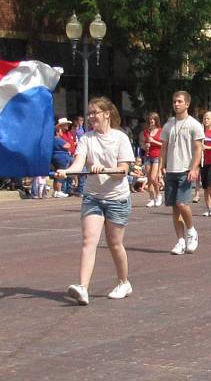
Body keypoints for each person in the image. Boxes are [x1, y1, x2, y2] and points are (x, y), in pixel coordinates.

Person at [57, 97, 135, 305]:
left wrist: (106, 170)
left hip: (117, 198)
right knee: (88, 240)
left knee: (115, 244)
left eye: (95, 113)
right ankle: (83, 287)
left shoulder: (120, 138)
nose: (91, 117)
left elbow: (124, 171)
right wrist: (66, 171)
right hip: (93, 197)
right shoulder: (86, 139)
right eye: (89, 113)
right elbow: (78, 163)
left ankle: (124, 282)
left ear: (107, 114)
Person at [160, 91, 204, 255]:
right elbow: (163, 148)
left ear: (187, 104)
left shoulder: (194, 124)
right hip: (171, 169)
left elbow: (199, 148)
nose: (176, 104)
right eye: (174, 102)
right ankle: (180, 240)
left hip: (185, 169)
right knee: (174, 207)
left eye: (179, 101)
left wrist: (194, 167)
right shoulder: (168, 125)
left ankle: (191, 231)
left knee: (182, 203)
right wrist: (160, 168)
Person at [141, 112, 163, 207]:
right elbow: (144, 144)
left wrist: (154, 141)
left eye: (153, 119)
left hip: (157, 156)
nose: (151, 121)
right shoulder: (147, 132)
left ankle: (158, 195)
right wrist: (145, 145)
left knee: (154, 178)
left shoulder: (160, 131)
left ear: (156, 120)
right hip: (148, 156)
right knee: (149, 179)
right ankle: (151, 198)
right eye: (150, 119)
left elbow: (164, 145)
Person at [52, 118, 75, 198]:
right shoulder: (57, 139)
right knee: (60, 174)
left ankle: (56, 191)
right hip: (61, 157)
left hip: (59, 156)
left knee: (58, 174)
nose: (67, 126)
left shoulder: (66, 134)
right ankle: (58, 190)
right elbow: (67, 145)